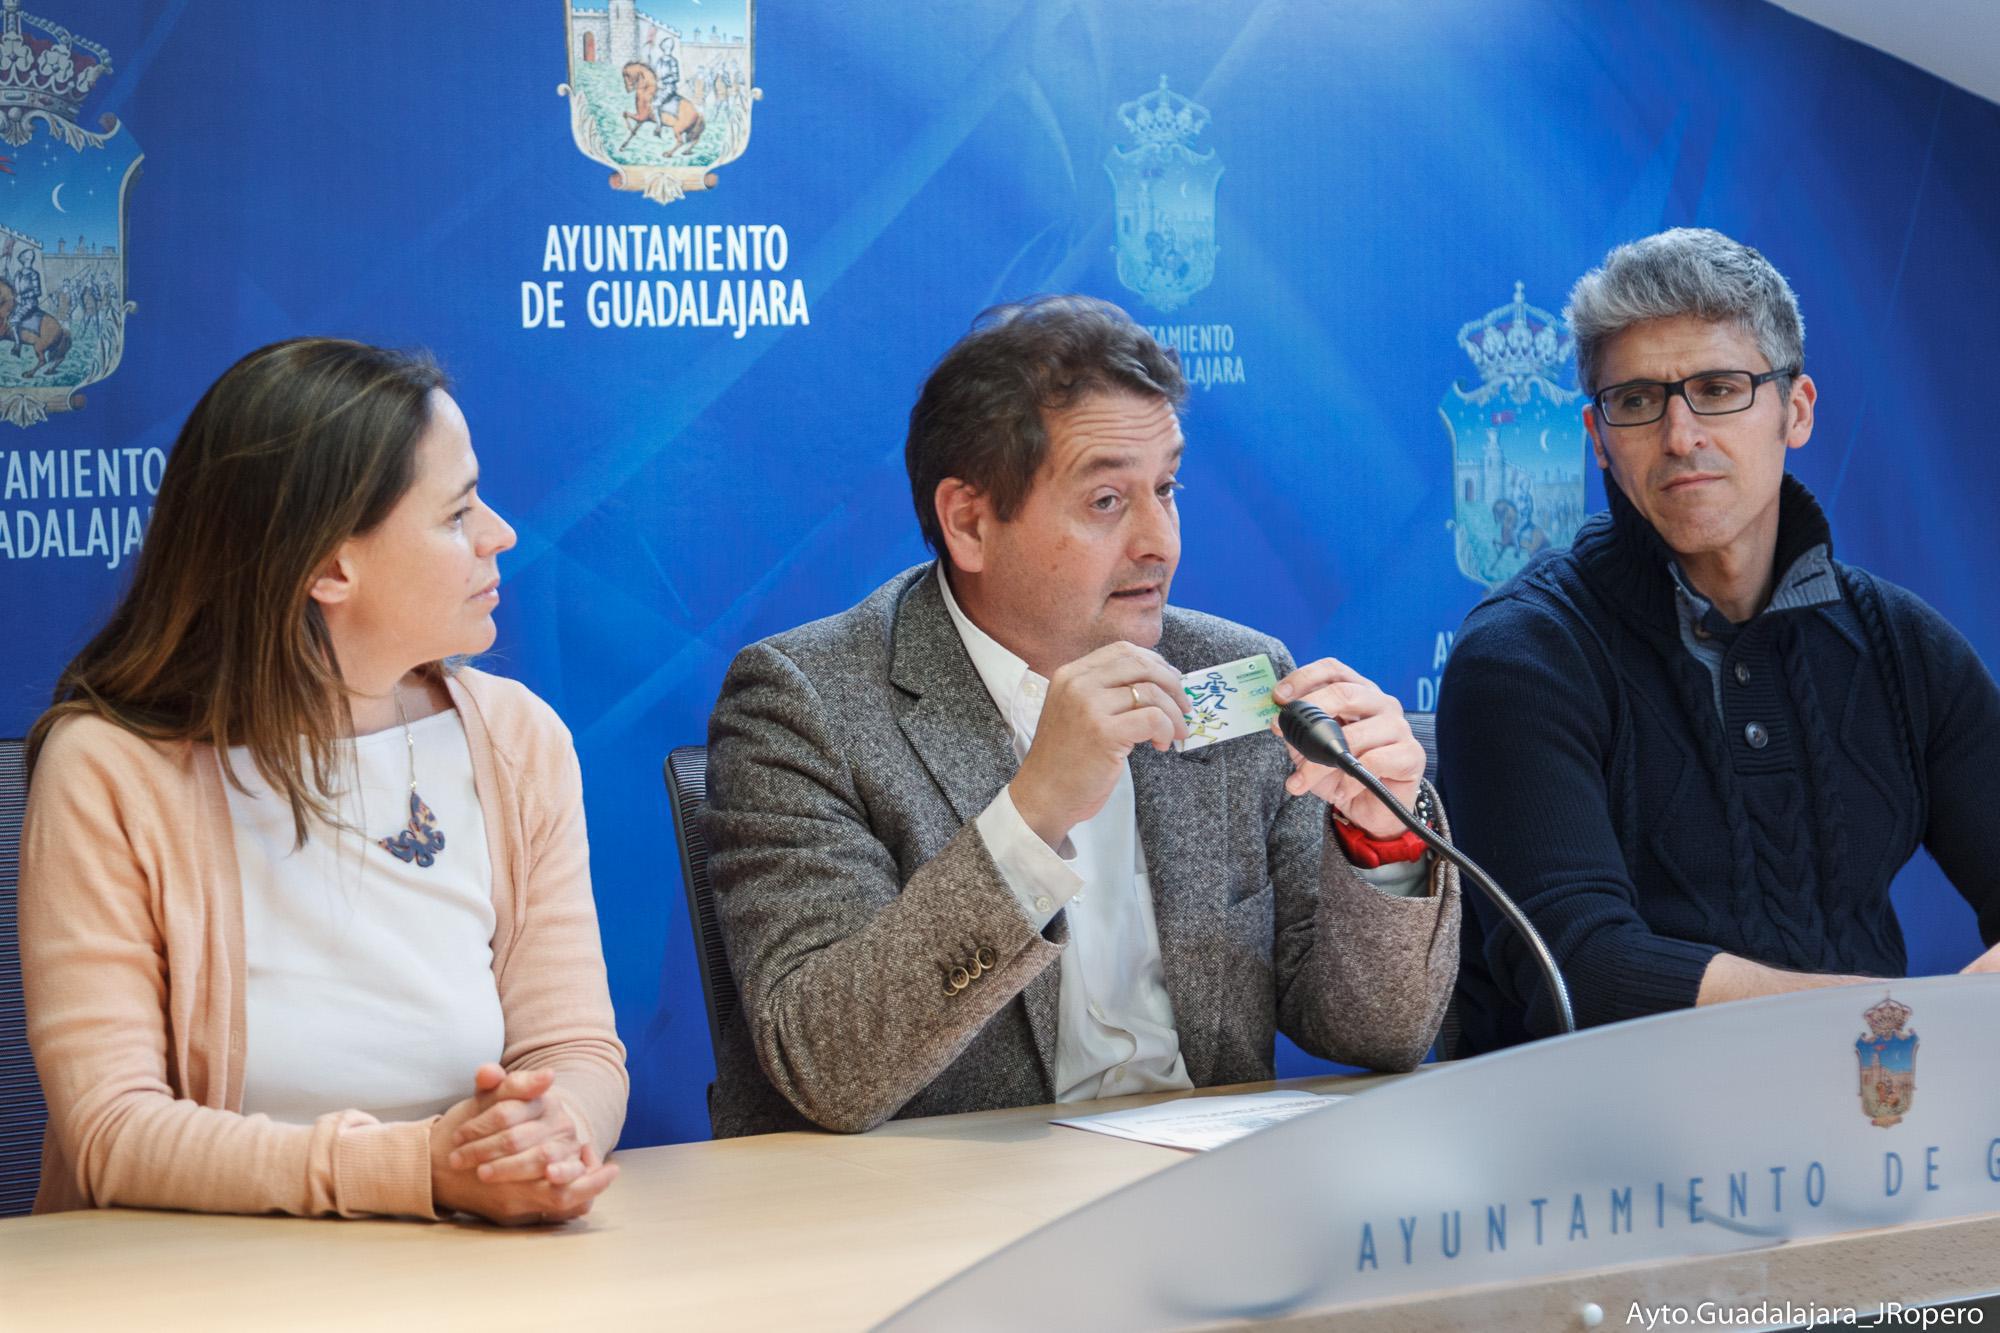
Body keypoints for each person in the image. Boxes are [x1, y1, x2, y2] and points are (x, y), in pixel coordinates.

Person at [702, 295, 1460, 1137]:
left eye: (1166, 488)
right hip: (952, 1202)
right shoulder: (805, 703)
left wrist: (1381, 838)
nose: (1161, 541)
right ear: (969, 523)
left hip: (1204, 1188)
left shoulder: (1233, 675)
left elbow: (1378, 1032)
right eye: (1106, 500)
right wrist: (1032, 815)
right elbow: (829, 1068)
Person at [22, 338, 627, 1221]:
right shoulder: (107, 767)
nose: (499, 533)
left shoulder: (519, 740)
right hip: (189, 1276)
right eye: (457, 513)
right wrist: (416, 1168)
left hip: (471, 1266)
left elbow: (575, 1050)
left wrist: (546, 1136)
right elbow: (114, 1131)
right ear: (330, 568)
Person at [1438, 228, 2000, 1053]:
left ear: (1796, 410)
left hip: (1870, 1114)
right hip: (1593, 1129)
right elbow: (1582, 973)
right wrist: (1900, 1016)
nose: (1680, 434)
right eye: (1638, 400)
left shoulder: (1903, 646)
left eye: (1718, 388)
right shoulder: (1523, 654)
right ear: (1597, 437)